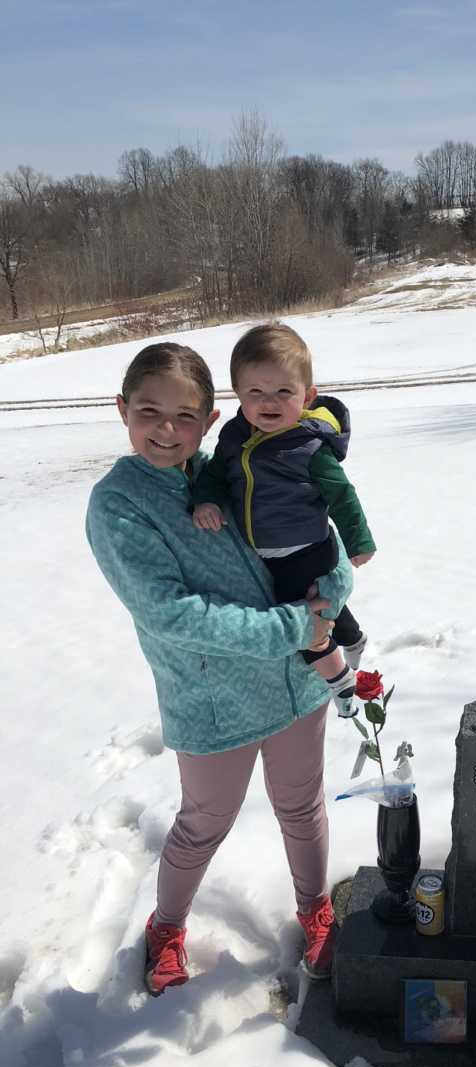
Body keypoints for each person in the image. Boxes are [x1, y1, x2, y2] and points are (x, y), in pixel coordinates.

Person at [86, 342, 353, 996]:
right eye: (149, 411)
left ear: (209, 420)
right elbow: (173, 613)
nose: (166, 429)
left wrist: (335, 586)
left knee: (301, 807)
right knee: (203, 824)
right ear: (123, 410)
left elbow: (317, 535)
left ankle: (316, 910)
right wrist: (299, 626)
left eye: (185, 415)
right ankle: (167, 929)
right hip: (212, 700)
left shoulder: (235, 469)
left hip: (294, 687)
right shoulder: (118, 505)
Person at [192, 323, 375, 719]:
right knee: (322, 602)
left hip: (305, 547)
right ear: (239, 395)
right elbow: (215, 475)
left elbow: (341, 493)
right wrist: (206, 499)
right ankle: (353, 637)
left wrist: (359, 540)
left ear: (306, 396)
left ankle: (340, 682)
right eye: (255, 392)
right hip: (263, 551)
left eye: (283, 392)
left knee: (303, 615)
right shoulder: (233, 437)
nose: (268, 402)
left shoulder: (309, 448)